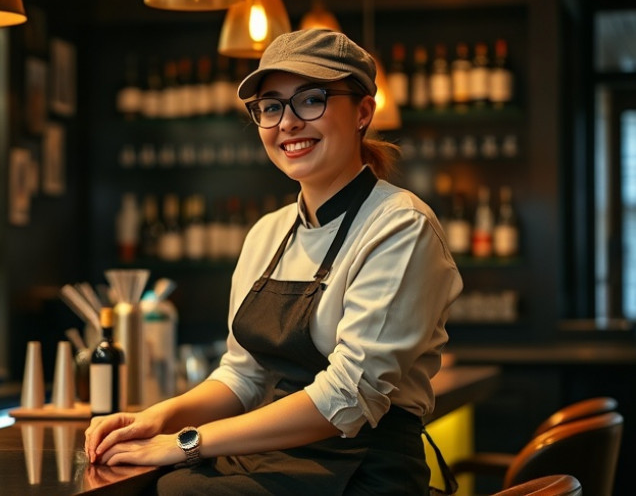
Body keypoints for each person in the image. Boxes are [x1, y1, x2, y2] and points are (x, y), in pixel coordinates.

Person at [84, 29, 463, 495]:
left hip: (364, 472)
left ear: (363, 112)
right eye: (271, 106)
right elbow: (244, 374)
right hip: (273, 460)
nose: (287, 122)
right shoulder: (267, 233)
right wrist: (157, 418)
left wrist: (186, 443)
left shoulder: (401, 227)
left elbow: (348, 397)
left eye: (311, 100)